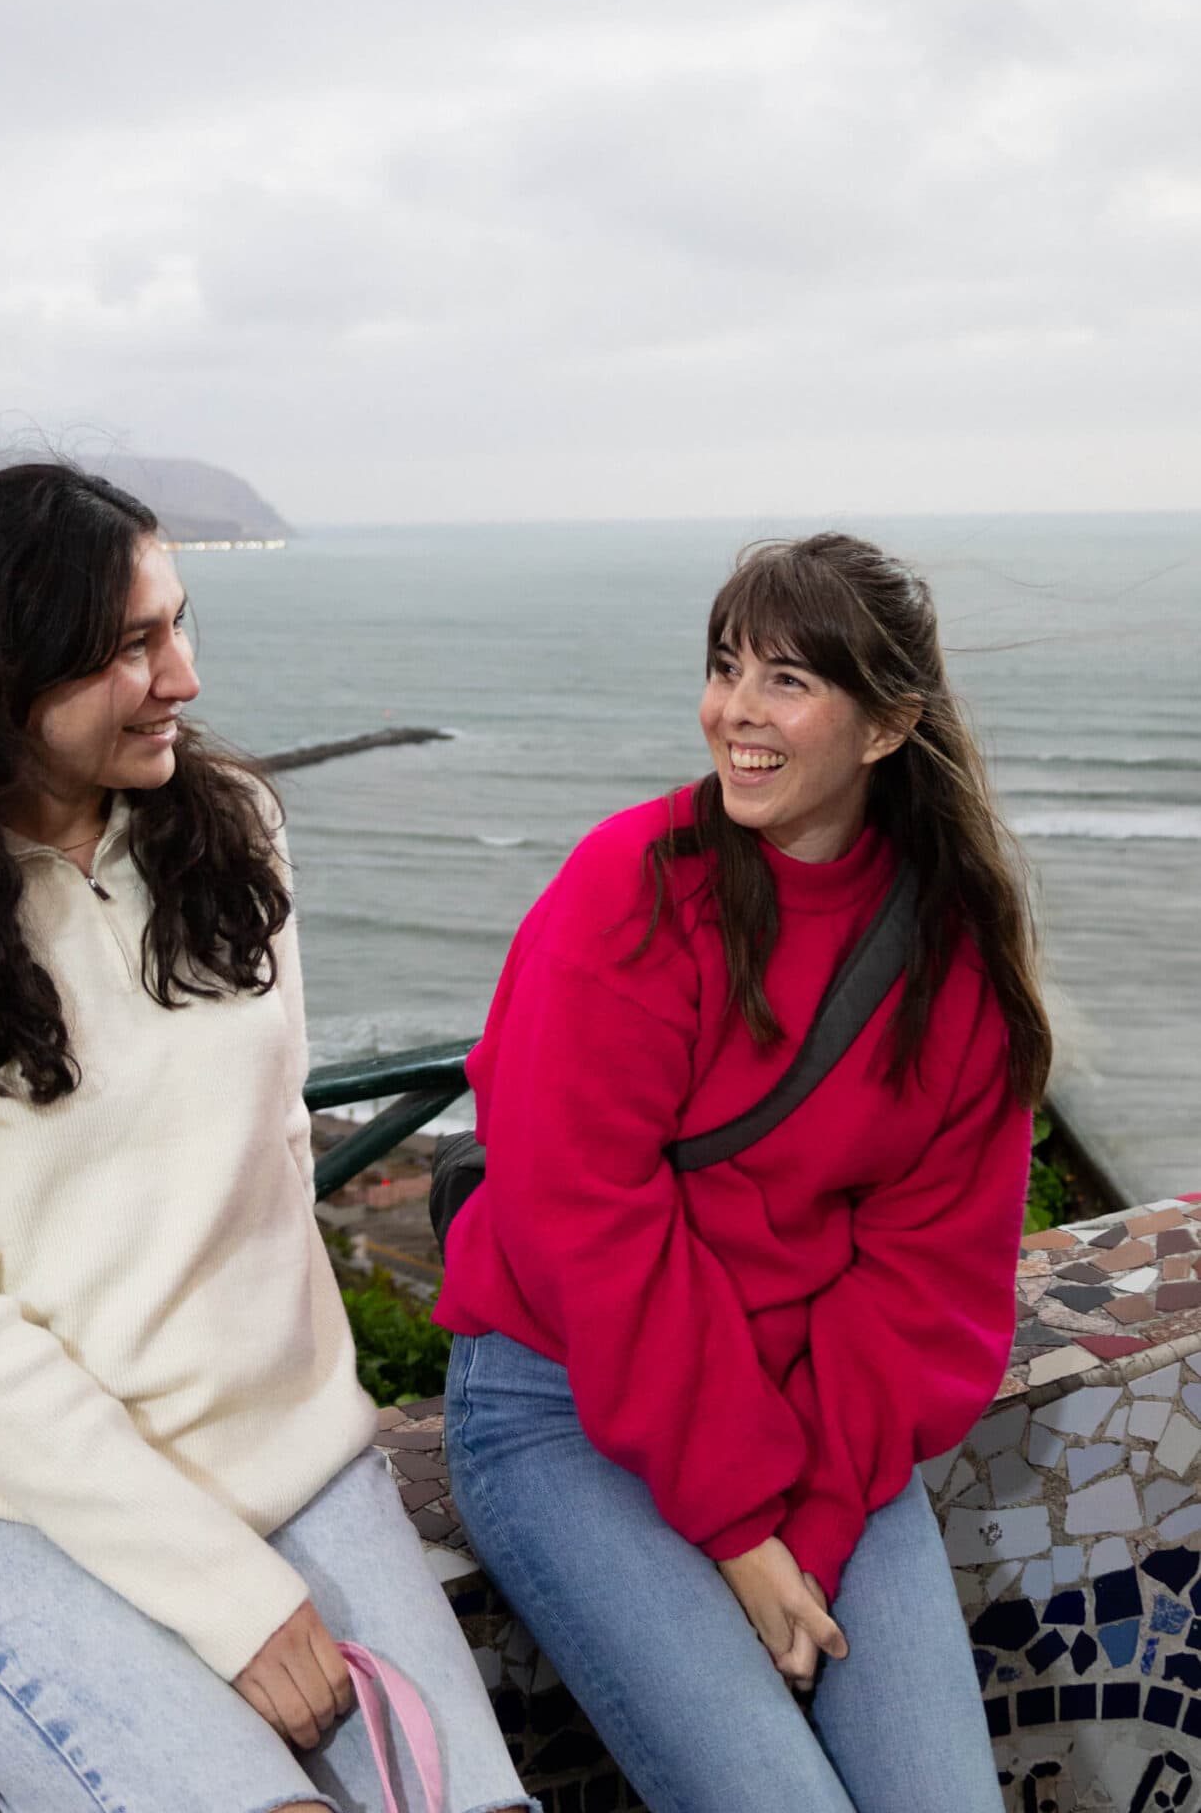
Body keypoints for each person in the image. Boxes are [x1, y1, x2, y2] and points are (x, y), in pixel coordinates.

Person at [0, 461, 529, 1813]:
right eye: (129, 647)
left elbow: (266, 1162)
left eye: (179, 625)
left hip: (291, 1468)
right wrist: (222, 1597)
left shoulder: (233, 838)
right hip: (8, 1513)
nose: (184, 678)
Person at [435, 533, 1048, 1813]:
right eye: (726, 668)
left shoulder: (952, 960)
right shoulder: (635, 888)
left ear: (886, 729)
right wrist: (735, 1525)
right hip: (560, 1400)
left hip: (815, 1417)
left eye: (788, 681)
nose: (737, 714)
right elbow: (581, 1221)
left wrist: (805, 1528)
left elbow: (928, 1283)